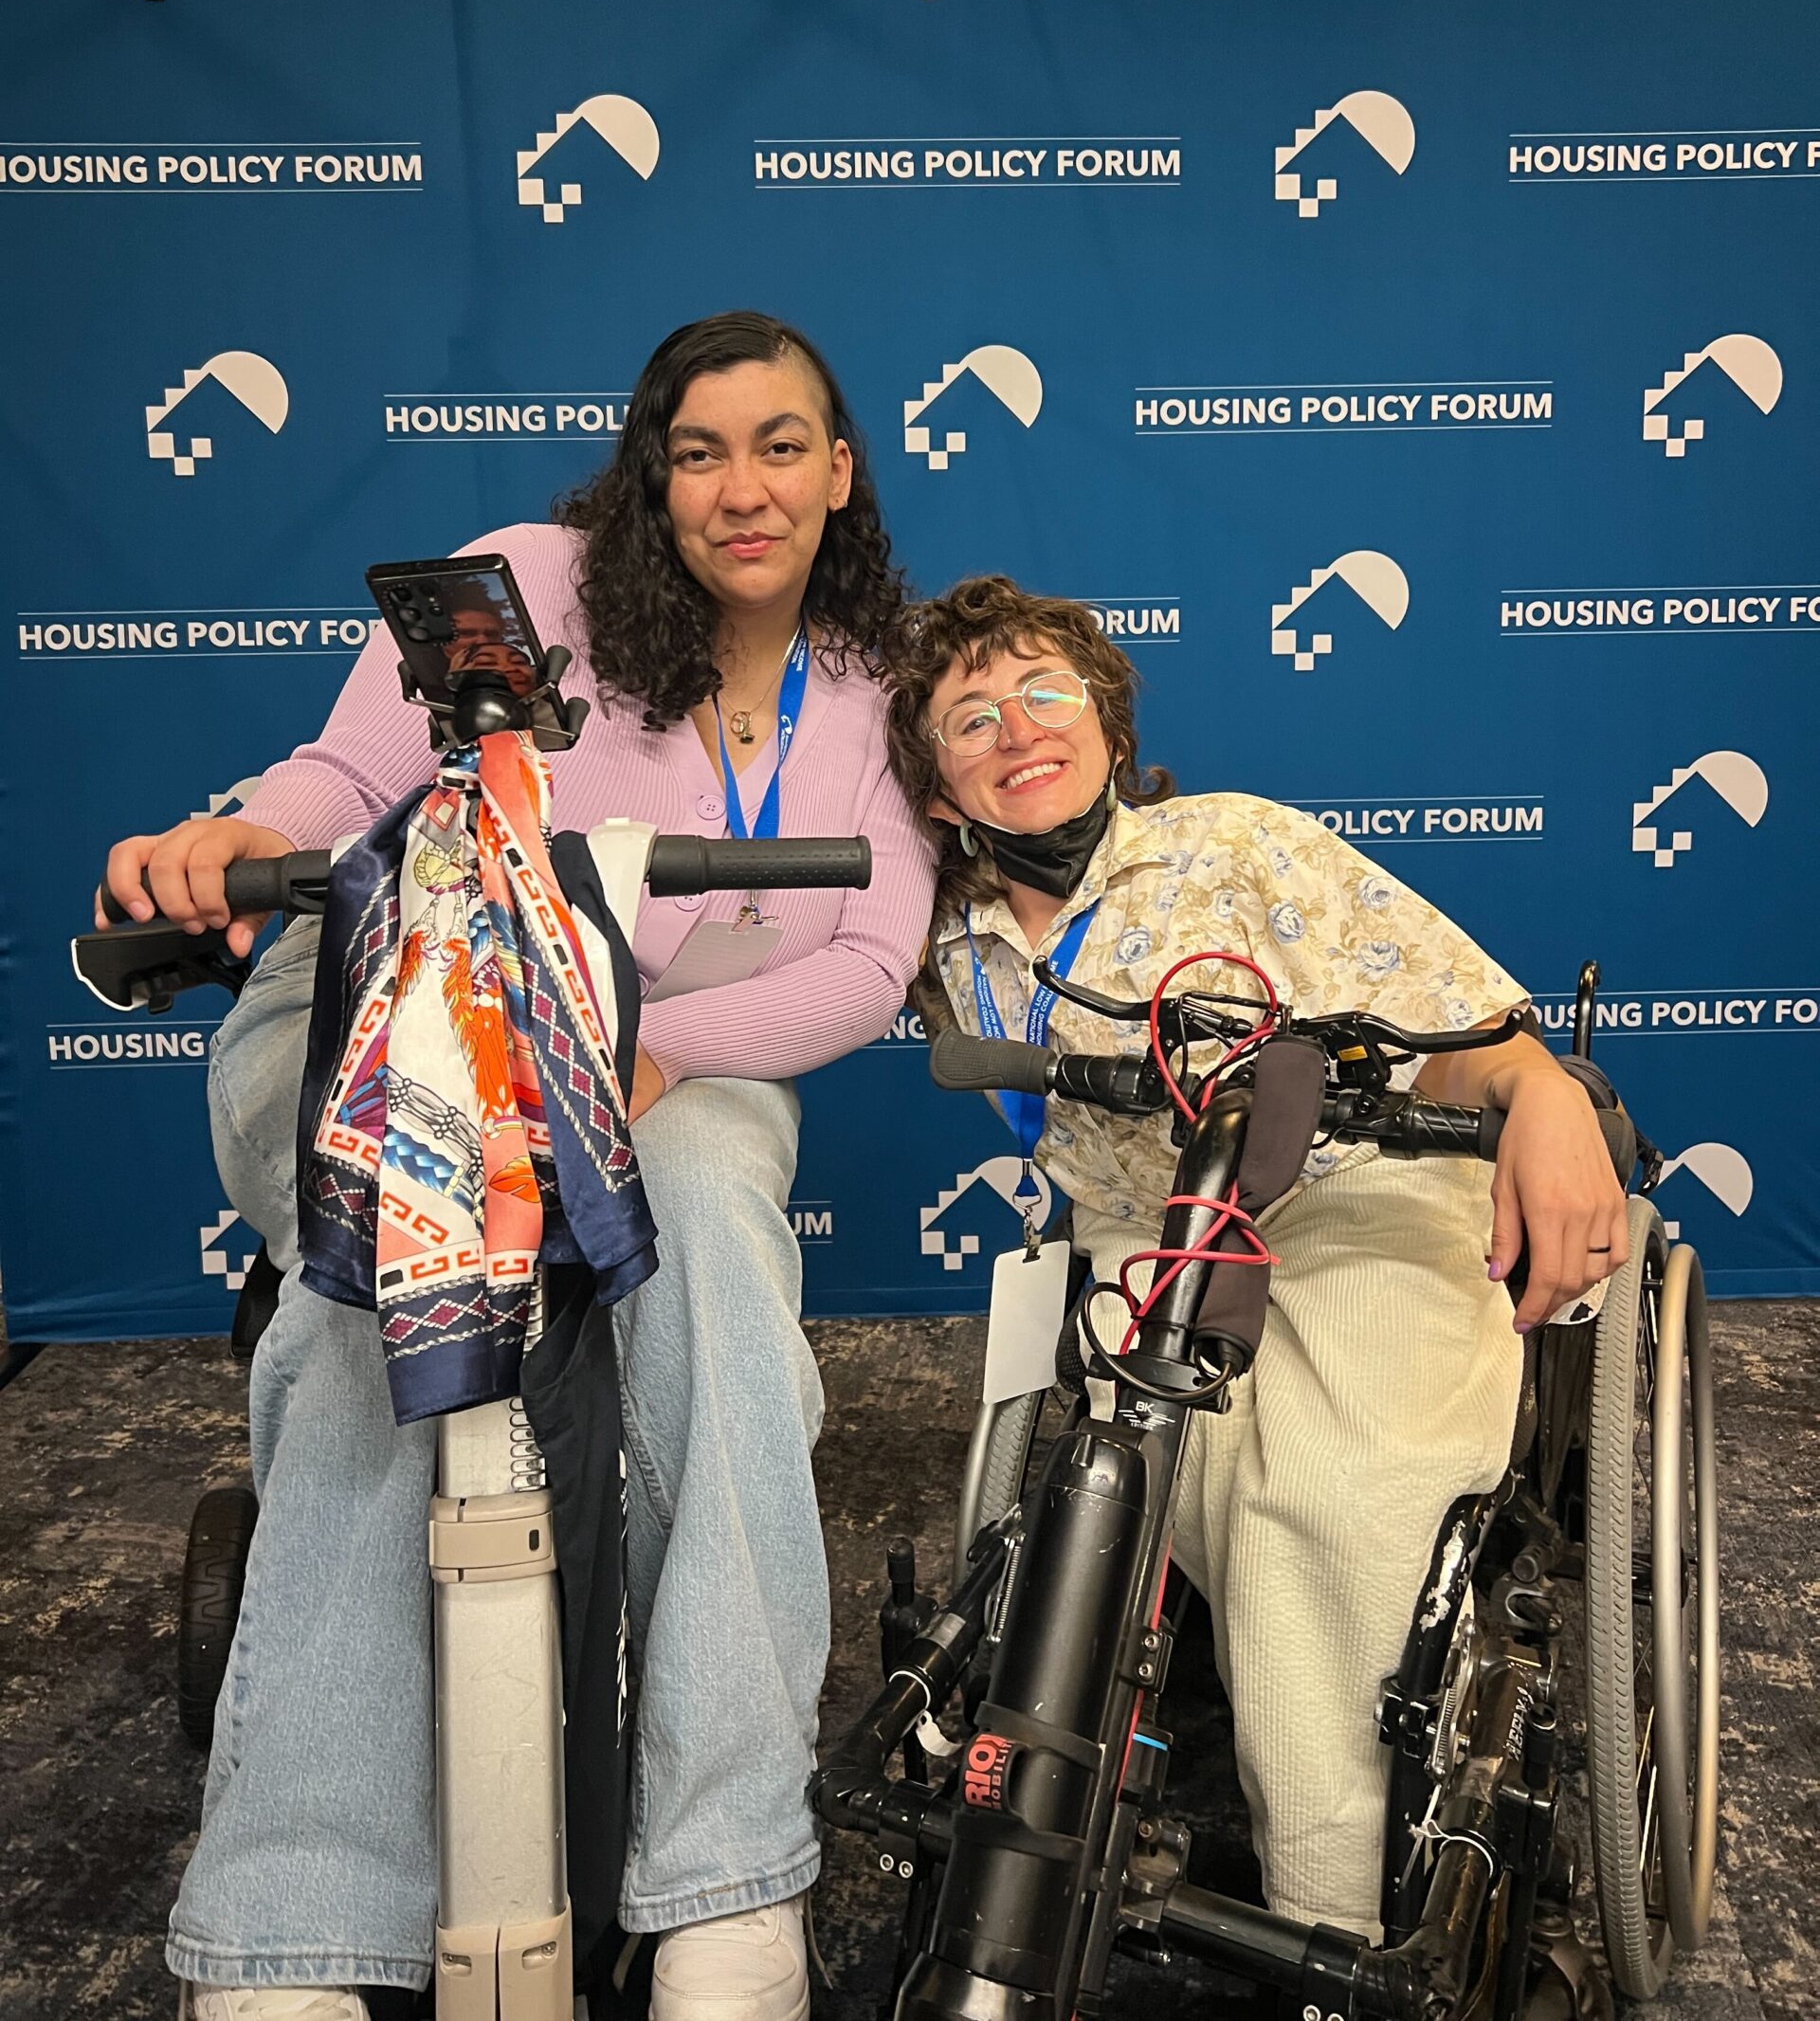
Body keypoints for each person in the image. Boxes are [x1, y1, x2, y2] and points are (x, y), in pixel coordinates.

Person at [102, 313, 937, 2021]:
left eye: (783, 444)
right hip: (398, 1003)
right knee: (377, 1285)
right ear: (653, 477)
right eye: (698, 451)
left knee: (711, 1242)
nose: (742, 486)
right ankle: (293, 1922)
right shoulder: (533, 581)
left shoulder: (879, 680)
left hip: (668, 1053)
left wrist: (646, 1059)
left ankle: (725, 1881)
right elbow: (345, 778)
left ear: (841, 469)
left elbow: (869, 955)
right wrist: (238, 841)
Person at [882, 575, 1628, 1940]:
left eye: (1046, 692)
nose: (1016, 729)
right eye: (970, 716)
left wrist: (1548, 1093)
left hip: (1358, 1194)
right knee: (1147, 1471)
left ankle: (1330, 1920)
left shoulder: (1236, 846)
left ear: (1107, 723)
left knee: (1325, 1497)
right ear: (936, 791)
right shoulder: (937, 938)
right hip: (1148, 1235)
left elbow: (1461, 1025)